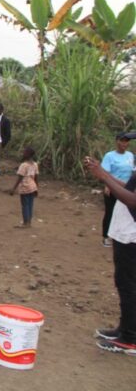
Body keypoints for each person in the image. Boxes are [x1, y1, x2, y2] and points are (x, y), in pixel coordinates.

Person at [84, 151, 136, 355]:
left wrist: (104, 176)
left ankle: (130, 338)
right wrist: (103, 173)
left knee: (129, 286)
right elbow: (128, 189)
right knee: (125, 284)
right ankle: (125, 329)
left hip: (131, 237)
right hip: (126, 234)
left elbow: (133, 201)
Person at [99, 133, 135, 247]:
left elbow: (133, 173)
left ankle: (119, 237)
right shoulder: (110, 156)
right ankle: (106, 237)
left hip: (127, 189)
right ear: (116, 141)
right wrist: (107, 185)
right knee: (110, 213)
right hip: (113, 189)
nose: (125, 143)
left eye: (127, 141)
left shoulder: (130, 155)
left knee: (125, 213)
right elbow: (104, 173)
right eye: (122, 141)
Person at [10, 147, 39, 228]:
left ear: (28, 154)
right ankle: (28, 222)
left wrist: (13, 188)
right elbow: (36, 177)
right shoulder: (35, 164)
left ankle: (25, 223)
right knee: (30, 204)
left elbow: (20, 178)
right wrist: (36, 188)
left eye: (24, 152)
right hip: (32, 187)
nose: (23, 153)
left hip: (25, 187)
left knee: (25, 205)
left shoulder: (24, 165)